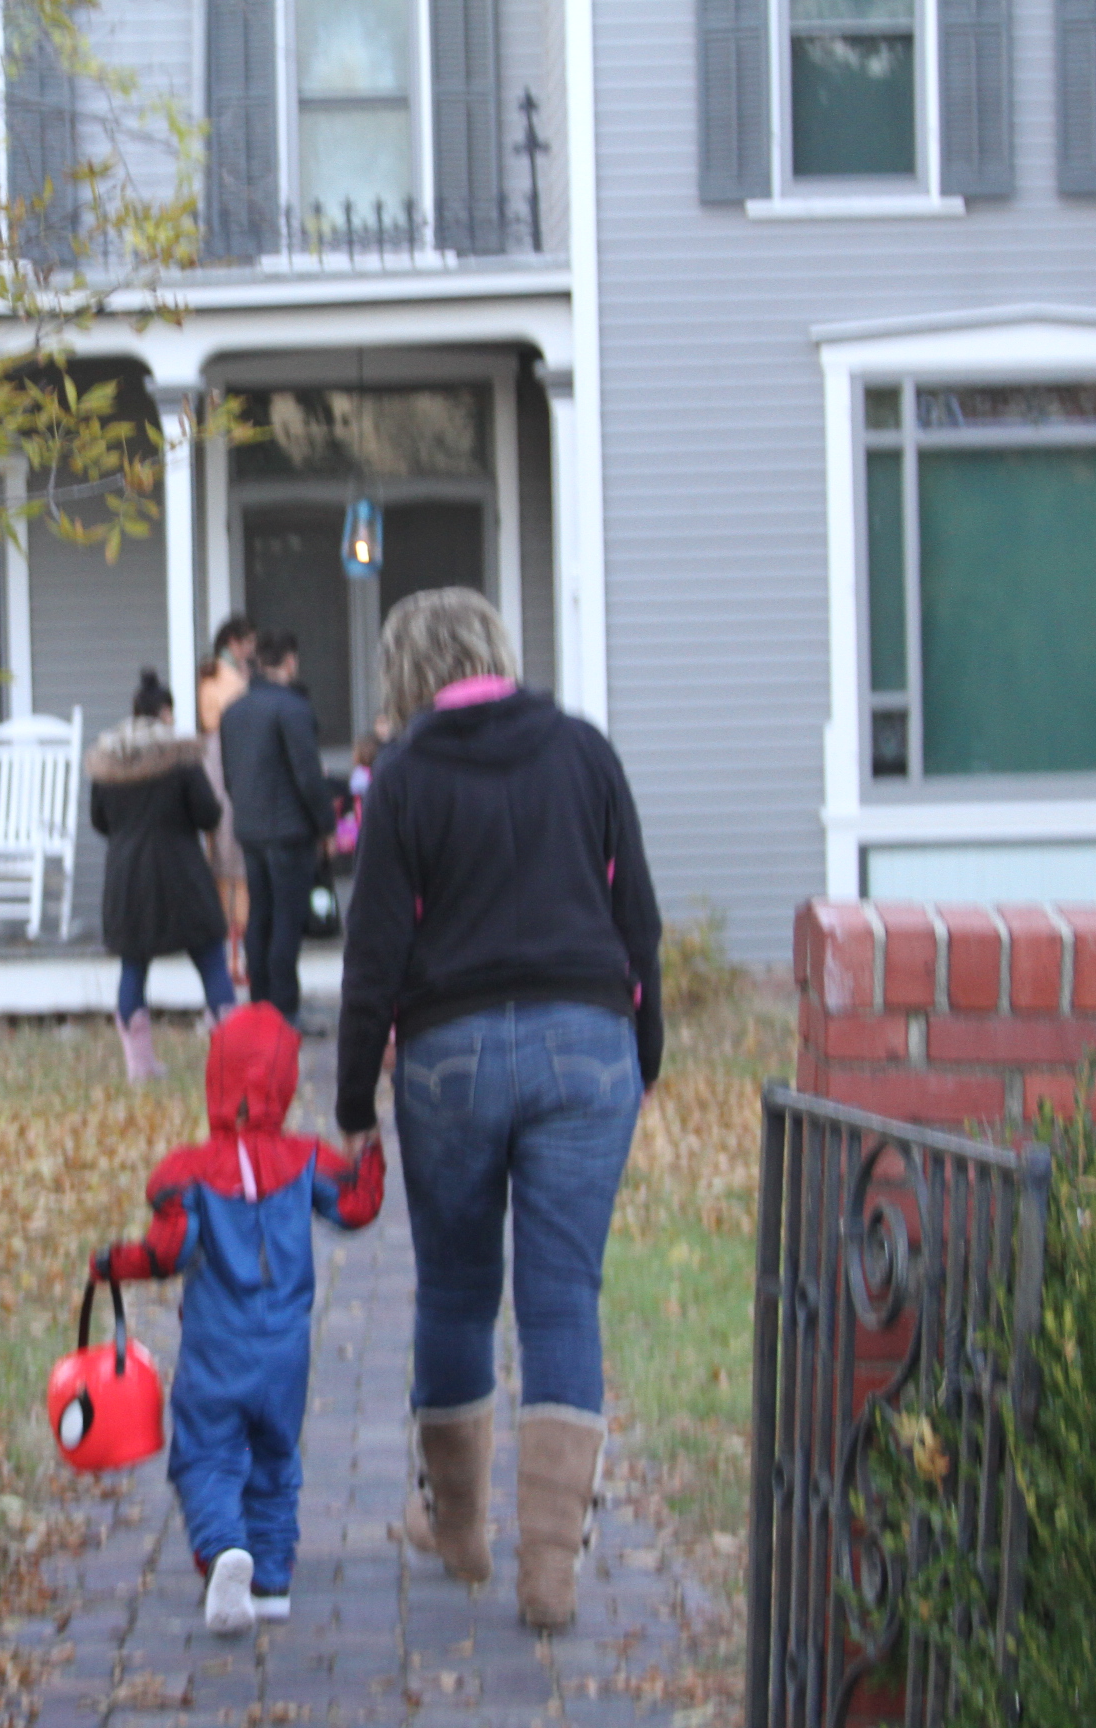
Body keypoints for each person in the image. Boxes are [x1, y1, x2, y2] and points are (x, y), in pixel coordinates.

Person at [332, 588, 663, 1633]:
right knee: (564, 1297)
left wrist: (351, 1102)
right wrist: (642, 1054)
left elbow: (373, 950)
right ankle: (553, 1569)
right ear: (496, 653)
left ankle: (463, 1528)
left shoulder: (406, 777)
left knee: (458, 1292)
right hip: (587, 1042)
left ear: (405, 677)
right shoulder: (582, 751)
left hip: (451, 1054)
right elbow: (636, 912)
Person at [90, 1004, 386, 1634]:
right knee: (276, 1457)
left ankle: (225, 1548)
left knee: (205, 1453)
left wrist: (113, 1263)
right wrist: (371, 1150)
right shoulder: (308, 1160)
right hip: (285, 1351)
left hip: (215, 1350)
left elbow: (167, 1254)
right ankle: (273, 1578)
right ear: (284, 1082)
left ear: (214, 1078)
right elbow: (357, 1207)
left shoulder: (191, 1174)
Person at [88, 670, 238, 1082]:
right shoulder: (179, 757)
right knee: (210, 961)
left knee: (133, 966)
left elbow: (99, 820)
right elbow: (209, 813)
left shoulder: (109, 758)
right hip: (182, 875)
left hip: (127, 879)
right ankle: (228, 1061)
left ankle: (140, 1067)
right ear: (166, 712)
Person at [217, 627, 331, 1021]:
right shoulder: (293, 709)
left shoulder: (233, 712)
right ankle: (285, 1011)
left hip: (250, 829)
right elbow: (308, 775)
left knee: (259, 918)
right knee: (287, 920)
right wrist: (325, 825)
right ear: (289, 662)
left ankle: (260, 1007)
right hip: (289, 831)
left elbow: (230, 776)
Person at [196, 617, 255, 986]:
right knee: (231, 858)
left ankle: (236, 953)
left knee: (229, 858)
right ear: (234, 642)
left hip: (222, 761)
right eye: (248, 642)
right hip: (224, 762)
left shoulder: (220, 672)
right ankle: (234, 954)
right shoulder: (223, 677)